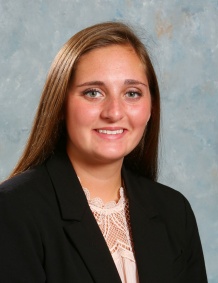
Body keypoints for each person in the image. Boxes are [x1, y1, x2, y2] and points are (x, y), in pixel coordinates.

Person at [0, 22, 207, 283]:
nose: (114, 112)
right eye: (93, 92)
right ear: (61, 105)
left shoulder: (175, 212)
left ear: (151, 107)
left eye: (132, 93)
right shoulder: (13, 211)